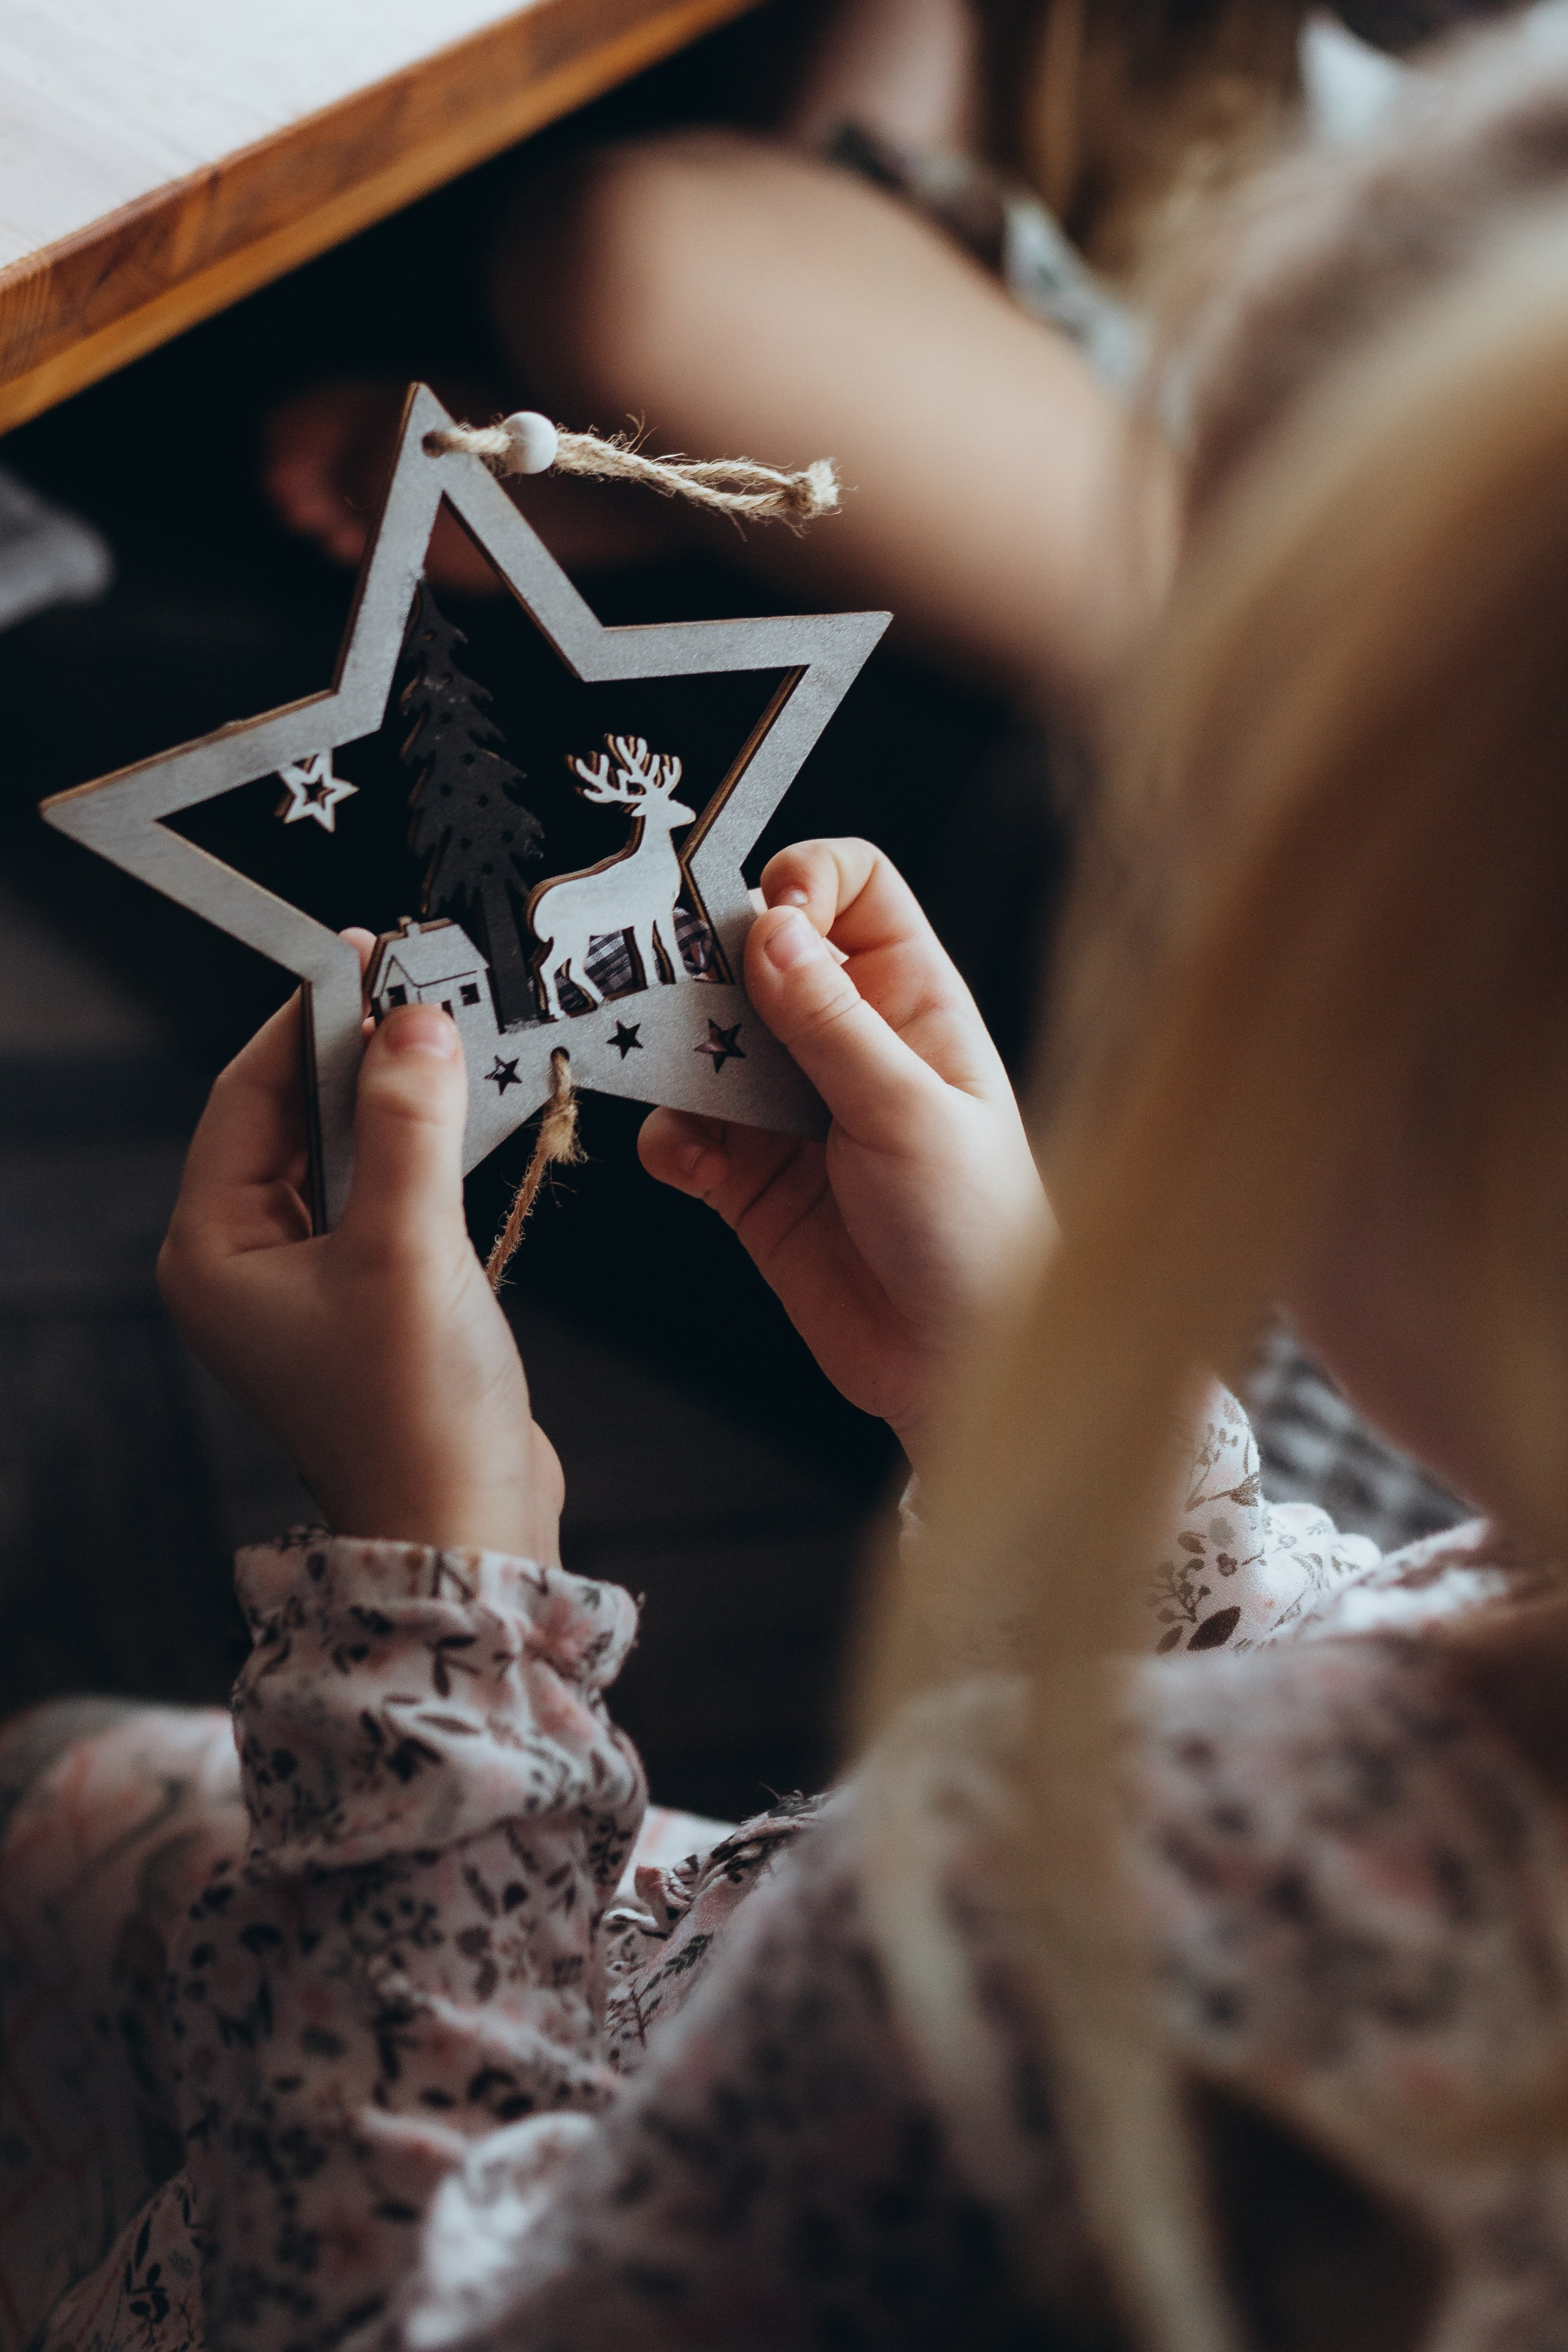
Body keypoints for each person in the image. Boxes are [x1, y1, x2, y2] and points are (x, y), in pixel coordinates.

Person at [15, 18, 1568, 2350]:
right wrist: (1076, 1446)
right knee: (60, 1818)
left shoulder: (1029, 1976)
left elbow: (382, 2310)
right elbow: (1358, 1673)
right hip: (661, 1939)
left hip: (471, 2068)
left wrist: (434, 1594)